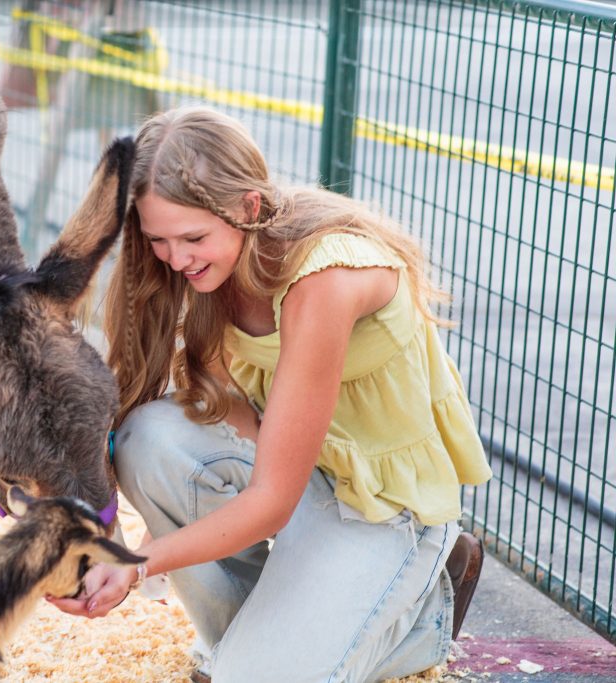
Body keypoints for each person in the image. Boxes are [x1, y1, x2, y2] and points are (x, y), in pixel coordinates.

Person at [47, 106, 493, 682]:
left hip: (379, 505)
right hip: (305, 474)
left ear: (249, 208)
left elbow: (272, 500)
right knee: (145, 436)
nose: (176, 259)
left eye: (193, 237)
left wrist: (135, 565)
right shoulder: (213, 269)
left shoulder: (323, 280)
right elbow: (235, 419)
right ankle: (268, 631)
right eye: (158, 240)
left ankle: (422, 614)